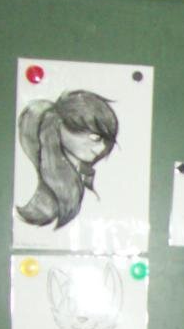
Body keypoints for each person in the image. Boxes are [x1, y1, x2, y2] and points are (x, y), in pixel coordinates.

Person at [16, 89, 118, 228]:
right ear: (61, 126)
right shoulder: (31, 178)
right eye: (95, 138)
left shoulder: (90, 181)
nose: (101, 148)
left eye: (105, 140)